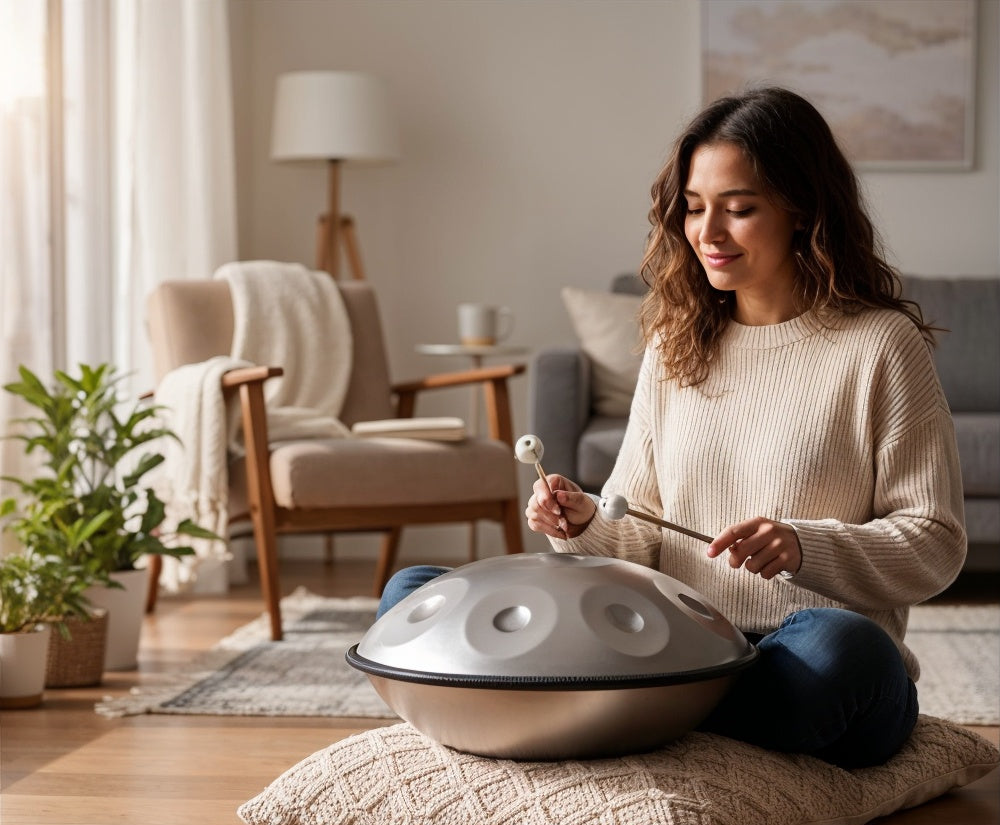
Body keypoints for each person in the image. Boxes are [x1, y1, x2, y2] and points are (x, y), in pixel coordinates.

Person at [378, 86, 966, 769]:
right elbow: (641, 530)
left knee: (845, 654)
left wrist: (805, 547)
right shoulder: (677, 341)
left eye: (739, 210)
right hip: (682, 651)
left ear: (803, 211)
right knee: (413, 593)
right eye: (693, 208)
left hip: (794, 655)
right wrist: (582, 524)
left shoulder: (881, 346)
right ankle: (641, 711)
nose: (707, 234)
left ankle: (576, 713)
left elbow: (936, 544)